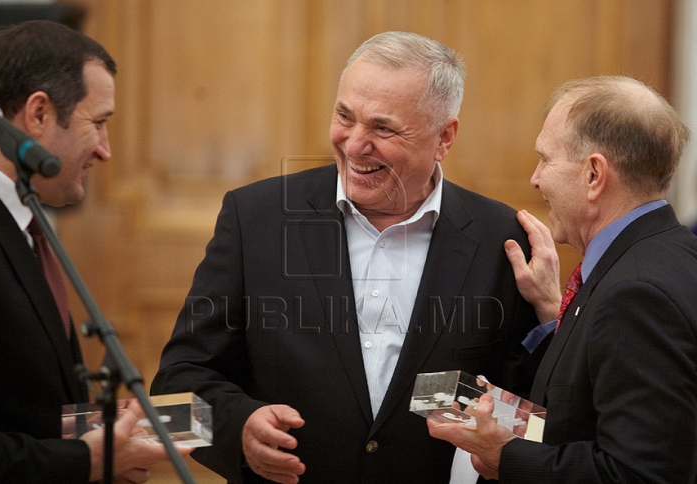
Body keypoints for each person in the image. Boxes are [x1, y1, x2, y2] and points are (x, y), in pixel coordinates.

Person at [151, 31, 556, 484]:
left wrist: (551, 319)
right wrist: (236, 430)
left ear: (445, 137)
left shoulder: (502, 241)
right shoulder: (255, 219)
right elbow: (173, 388)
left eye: (383, 128)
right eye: (344, 116)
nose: (354, 143)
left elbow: (540, 415)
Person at [427, 76, 697, 483]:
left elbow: (639, 473)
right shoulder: (662, 254)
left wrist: (506, 457)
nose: (535, 179)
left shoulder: (636, 294)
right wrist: (554, 314)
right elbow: (586, 415)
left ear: (594, 175)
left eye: (546, 160)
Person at [0, 20, 190, 483]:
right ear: (38, 115)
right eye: (99, 123)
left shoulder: (23, 221)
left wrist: (110, 436)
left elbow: (14, 404)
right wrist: (87, 461)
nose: (106, 151)